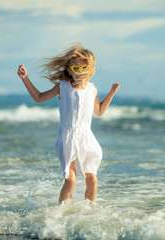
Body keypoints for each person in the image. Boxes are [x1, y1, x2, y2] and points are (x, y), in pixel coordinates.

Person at [17, 44, 120, 204]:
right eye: (75, 68)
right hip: (67, 138)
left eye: (84, 67)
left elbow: (99, 111)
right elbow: (38, 97)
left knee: (92, 179)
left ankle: (88, 213)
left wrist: (111, 93)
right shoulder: (63, 87)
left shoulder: (92, 89)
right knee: (71, 181)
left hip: (86, 138)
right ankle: (61, 213)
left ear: (90, 69)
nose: (80, 71)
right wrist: (25, 79)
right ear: (69, 70)